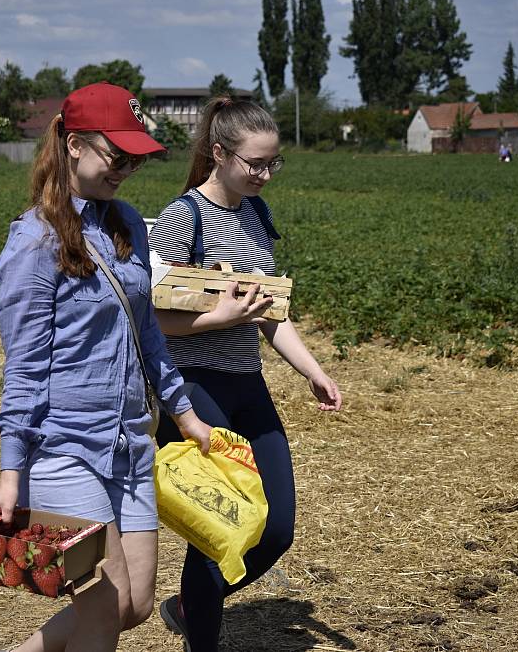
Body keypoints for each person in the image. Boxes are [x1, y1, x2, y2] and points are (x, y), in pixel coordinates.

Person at [0, 82, 213, 652]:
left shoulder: (127, 224)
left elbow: (149, 333)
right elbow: (26, 368)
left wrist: (184, 416)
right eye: (118, 153)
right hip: (64, 448)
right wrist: (11, 472)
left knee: (132, 605)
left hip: (129, 444)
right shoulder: (34, 242)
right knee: (103, 608)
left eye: (137, 156)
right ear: (74, 144)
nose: (129, 167)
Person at [148, 96, 343, 652]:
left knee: (276, 527)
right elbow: (150, 317)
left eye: (272, 163)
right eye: (254, 163)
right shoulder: (182, 217)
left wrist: (313, 370)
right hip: (191, 383)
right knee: (221, 526)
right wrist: (218, 316)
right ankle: (203, 636)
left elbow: (270, 313)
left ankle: (190, 606)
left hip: (245, 382)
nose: (263, 174)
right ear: (219, 153)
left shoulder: (259, 216)